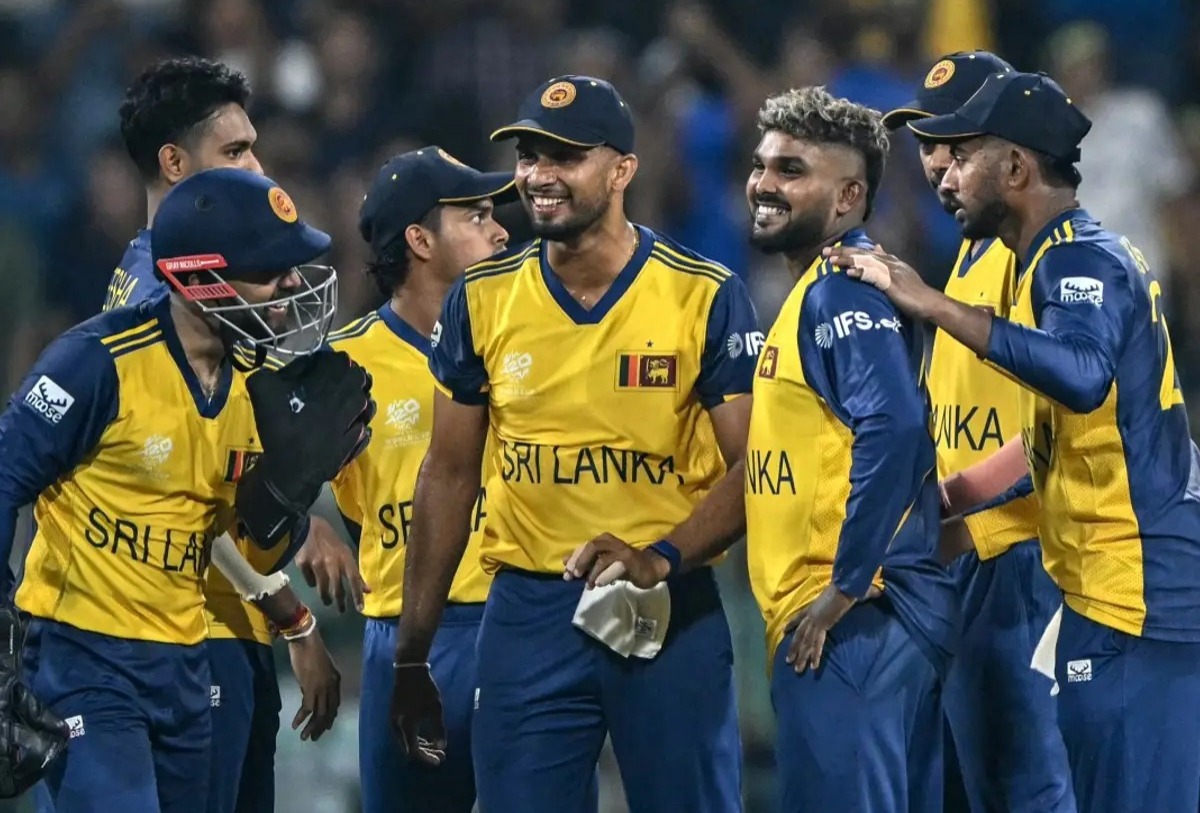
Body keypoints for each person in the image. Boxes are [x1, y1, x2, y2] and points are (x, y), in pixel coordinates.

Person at [830, 69, 1200, 813]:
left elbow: (1084, 375)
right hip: (1107, 594)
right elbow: (1057, 438)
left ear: (1017, 168)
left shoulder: (1078, 257)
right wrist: (947, 502)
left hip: (1138, 600)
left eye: (965, 155)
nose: (946, 172)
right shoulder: (1054, 257)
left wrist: (932, 305)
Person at [389, 75, 761, 813]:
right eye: (529, 156)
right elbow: (449, 474)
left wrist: (661, 556)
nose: (539, 175)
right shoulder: (482, 297)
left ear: (622, 170)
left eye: (565, 156)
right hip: (529, 611)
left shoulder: (703, 294)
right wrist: (411, 649)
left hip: (668, 600)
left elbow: (757, 468)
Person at [0, 167, 373, 813]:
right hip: (82, 657)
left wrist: (287, 495)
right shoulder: (98, 362)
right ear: (199, 280)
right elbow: (6, 475)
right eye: (270, 269)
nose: (292, 283)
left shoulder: (258, 385)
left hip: (184, 663)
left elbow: (243, 544)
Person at [109, 57, 357, 813]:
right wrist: (296, 616)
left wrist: (295, 521)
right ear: (174, 163)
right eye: (236, 150)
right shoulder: (163, 299)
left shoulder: (172, 275)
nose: (256, 167)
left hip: (222, 623)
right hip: (194, 630)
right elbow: (182, 497)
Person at [736, 85, 956, 813]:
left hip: (851, 628)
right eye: (762, 165)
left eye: (792, 170)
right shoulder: (828, 289)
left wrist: (843, 588)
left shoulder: (840, 291)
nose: (764, 183)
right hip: (874, 623)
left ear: (848, 195)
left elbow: (894, 426)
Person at [882, 53, 1074, 813]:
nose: (936, 162)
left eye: (955, 145)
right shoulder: (971, 249)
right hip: (967, 558)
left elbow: (1058, 432)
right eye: (927, 144)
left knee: (1032, 788)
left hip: (1022, 560)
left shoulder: (1041, 259)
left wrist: (947, 514)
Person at [331, 146, 511, 813]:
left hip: (515, 619)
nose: (501, 232)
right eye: (478, 217)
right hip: (403, 636)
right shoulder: (342, 367)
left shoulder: (528, 342)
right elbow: (251, 490)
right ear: (420, 240)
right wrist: (306, 530)